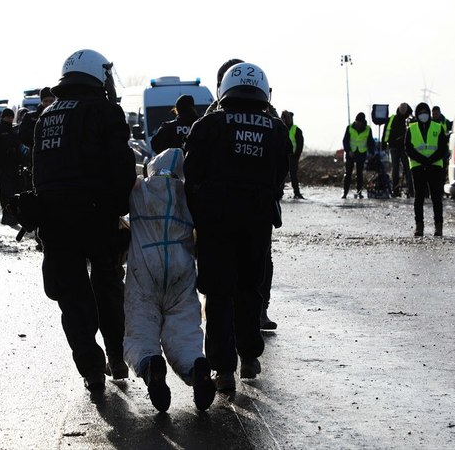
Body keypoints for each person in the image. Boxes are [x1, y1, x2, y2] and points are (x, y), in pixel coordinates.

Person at [32, 49, 136, 391]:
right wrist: (121, 209)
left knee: (72, 296)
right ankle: (117, 356)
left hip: (53, 219)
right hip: (96, 215)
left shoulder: (46, 116)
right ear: (97, 75)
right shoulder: (105, 111)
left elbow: (39, 174)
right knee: (108, 286)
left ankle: (92, 370)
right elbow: (122, 167)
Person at [184, 62, 290, 392]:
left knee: (218, 294)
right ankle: (249, 356)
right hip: (256, 224)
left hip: (216, 223)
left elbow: (192, 172)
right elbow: (281, 173)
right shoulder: (275, 128)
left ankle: (223, 368)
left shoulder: (209, 123)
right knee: (249, 290)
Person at [123, 147, 216, 412]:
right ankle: (196, 365)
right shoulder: (189, 195)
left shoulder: (139, 190)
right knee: (184, 328)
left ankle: (150, 363)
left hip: (145, 269)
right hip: (180, 268)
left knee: (140, 328)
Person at [405, 102, 448, 237]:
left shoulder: (438, 127)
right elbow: (408, 148)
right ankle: (419, 226)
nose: (423, 114)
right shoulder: (411, 129)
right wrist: (422, 159)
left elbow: (442, 148)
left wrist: (431, 160)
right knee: (419, 197)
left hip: (435, 166)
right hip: (418, 166)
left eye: (425, 112)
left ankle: (438, 227)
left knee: (436, 197)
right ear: (417, 114)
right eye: (420, 112)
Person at [0, 108, 27, 225]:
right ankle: (7, 215)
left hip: (15, 166)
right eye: (7, 117)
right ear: (3, 117)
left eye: (11, 117)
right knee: (6, 193)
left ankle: (14, 215)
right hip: (2, 166)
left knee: (16, 191)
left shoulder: (15, 131)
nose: (9, 119)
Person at [382, 103, 414, 197]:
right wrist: (384, 144)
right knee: (395, 169)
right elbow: (386, 131)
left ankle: (411, 190)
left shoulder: (411, 120)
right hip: (394, 147)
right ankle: (395, 190)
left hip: (406, 148)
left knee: (408, 169)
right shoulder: (392, 119)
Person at [342, 112, 375, 199]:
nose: (357, 124)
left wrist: (371, 152)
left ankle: (359, 192)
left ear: (362, 122)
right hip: (350, 154)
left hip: (361, 153)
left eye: (359, 123)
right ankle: (345, 193)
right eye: (356, 122)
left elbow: (371, 142)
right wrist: (348, 151)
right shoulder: (349, 128)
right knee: (348, 173)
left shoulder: (368, 129)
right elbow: (345, 141)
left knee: (359, 174)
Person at [280, 110, 305, 199]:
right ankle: (280, 192)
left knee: (293, 175)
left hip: (292, 156)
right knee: (281, 175)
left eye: (284, 118)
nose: (283, 119)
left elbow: (300, 145)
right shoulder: (280, 128)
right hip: (282, 156)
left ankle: (297, 193)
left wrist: (296, 156)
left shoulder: (296, 130)